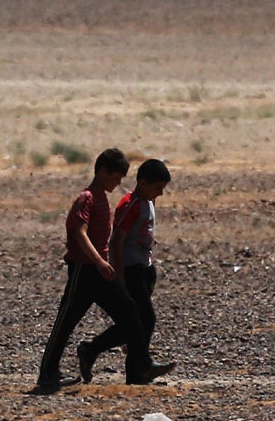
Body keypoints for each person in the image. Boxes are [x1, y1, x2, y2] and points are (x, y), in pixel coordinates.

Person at [31, 148, 166, 394]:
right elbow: (79, 233)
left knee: (131, 313)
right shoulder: (87, 198)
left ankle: (141, 364)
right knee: (66, 322)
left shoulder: (102, 197)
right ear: (103, 172)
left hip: (102, 271)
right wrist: (100, 261)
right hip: (84, 269)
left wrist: (105, 265)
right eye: (116, 177)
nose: (118, 183)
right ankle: (48, 373)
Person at [79, 158, 171, 383]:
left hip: (144, 268)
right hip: (130, 270)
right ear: (142, 182)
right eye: (157, 188)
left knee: (134, 324)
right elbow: (117, 240)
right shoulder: (129, 203)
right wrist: (119, 276)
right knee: (144, 319)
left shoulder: (148, 202)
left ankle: (99, 354)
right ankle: (140, 368)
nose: (159, 193)